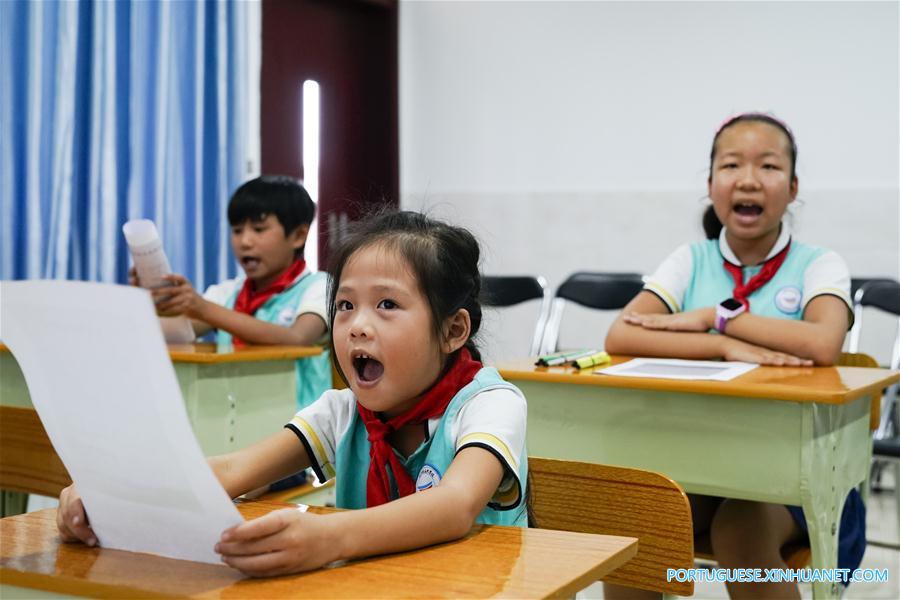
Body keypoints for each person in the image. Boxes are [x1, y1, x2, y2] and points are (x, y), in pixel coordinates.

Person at [58, 210, 529, 576]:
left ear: (453, 331)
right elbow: (233, 469)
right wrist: (112, 495)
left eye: (387, 304)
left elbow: (453, 505)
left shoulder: (489, 404)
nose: (357, 326)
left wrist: (329, 536)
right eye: (345, 305)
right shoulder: (341, 411)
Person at [605, 113, 863, 599]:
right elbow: (621, 334)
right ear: (710, 185)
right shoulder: (690, 260)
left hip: (797, 474)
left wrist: (717, 318)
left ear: (793, 188)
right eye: (731, 165)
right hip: (699, 462)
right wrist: (722, 346)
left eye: (768, 166)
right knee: (638, 523)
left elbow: (823, 343)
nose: (748, 179)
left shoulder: (818, 264)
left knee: (740, 529)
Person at [131, 175, 331, 412]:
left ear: (298, 236)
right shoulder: (227, 292)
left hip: (299, 424)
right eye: (237, 230)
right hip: (235, 419)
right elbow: (179, 333)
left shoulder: (319, 286)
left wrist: (202, 308)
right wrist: (153, 303)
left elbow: (297, 338)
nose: (244, 241)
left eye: (259, 229)